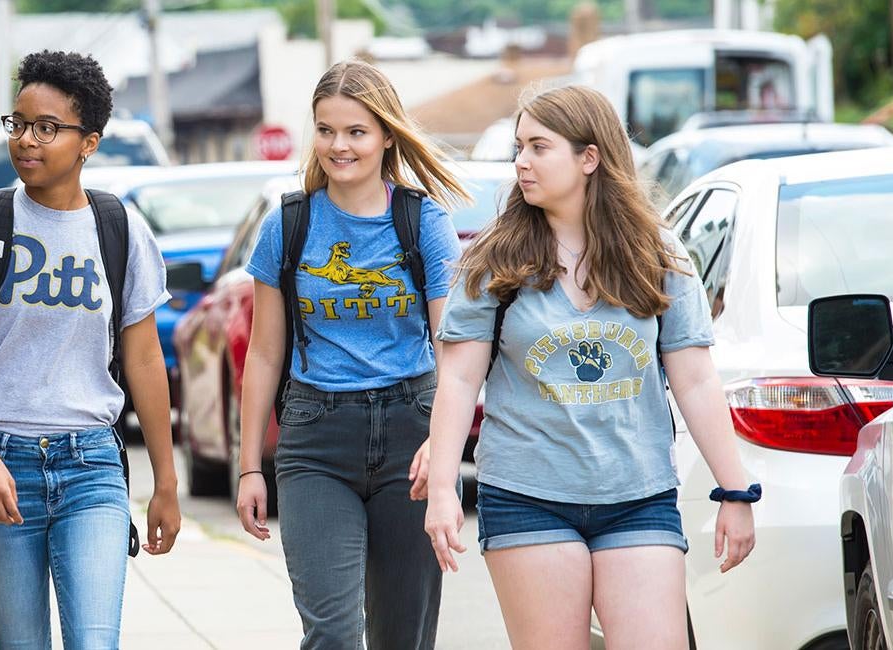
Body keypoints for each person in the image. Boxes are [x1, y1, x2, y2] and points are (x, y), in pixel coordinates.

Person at [417, 85, 757, 649]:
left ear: (589, 157)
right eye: (518, 147)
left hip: (637, 495)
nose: (521, 161)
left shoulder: (659, 256)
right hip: (526, 495)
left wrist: (735, 491)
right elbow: (457, 379)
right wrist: (444, 491)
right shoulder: (495, 261)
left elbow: (695, 380)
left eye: (539, 146)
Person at [0, 50, 182, 649]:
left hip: (91, 465)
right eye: (18, 123)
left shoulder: (121, 229)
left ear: (88, 141)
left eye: (47, 128)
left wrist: (166, 482)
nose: (26, 140)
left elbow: (145, 361)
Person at [233, 59, 470, 649]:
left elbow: (452, 353)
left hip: (411, 436)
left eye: (356, 132)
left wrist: (442, 450)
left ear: (387, 134)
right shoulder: (287, 225)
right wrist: (248, 467)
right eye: (326, 130)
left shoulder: (423, 223)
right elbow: (263, 355)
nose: (340, 146)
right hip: (316, 440)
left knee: (402, 636)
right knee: (333, 634)